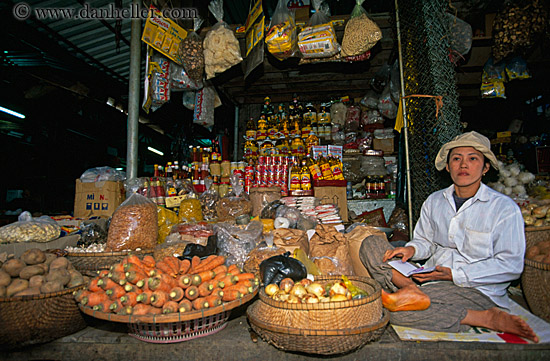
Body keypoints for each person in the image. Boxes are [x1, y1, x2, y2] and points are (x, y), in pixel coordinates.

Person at [359, 131, 539, 343]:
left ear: (485, 167)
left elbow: (510, 265)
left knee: (390, 312)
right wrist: (412, 250)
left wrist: (455, 275)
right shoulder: (435, 200)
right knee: (370, 243)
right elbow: (425, 242)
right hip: (428, 277)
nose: (464, 165)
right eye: (456, 159)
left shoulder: (503, 208)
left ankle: (485, 317)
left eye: (472, 159)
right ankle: (410, 289)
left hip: (473, 289)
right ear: (448, 166)